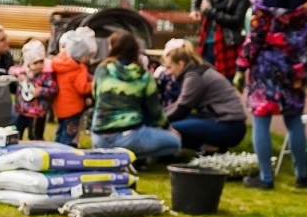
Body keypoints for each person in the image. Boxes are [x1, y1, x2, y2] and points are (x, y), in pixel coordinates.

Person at [238, 0, 307, 190]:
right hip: (296, 65)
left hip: (266, 66)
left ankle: (265, 178)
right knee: (294, 119)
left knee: (261, 118)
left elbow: (256, 35)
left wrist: (242, 65)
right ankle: (302, 175)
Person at [89, 29, 181, 162]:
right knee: (175, 143)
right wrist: (169, 128)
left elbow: (95, 95)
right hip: (129, 137)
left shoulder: (102, 69)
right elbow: (155, 110)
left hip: (99, 137)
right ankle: (131, 157)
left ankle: (112, 156)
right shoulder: (144, 76)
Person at [162, 40, 247, 151]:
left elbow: (182, 108)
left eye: (169, 67)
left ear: (181, 64)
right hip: (227, 123)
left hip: (229, 126)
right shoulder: (197, 70)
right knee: (173, 123)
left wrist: (158, 121)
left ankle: (208, 148)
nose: (167, 72)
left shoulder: (194, 76)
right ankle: (211, 148)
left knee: (166, 128)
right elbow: (179, 106)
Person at [50, 27, 97, 146]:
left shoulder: (60, 64)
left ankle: (55, 150)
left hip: (60, 108)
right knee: (70, 135)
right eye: (87, 56)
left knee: (61, 130)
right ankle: (67, 155)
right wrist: (94, 84)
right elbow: (82, 88)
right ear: (81, 56)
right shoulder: (79, 69)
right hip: (73, 109)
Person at [11, 38, 54, 142]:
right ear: (28, 64)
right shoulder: (23, 74)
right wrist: (20, 76)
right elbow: (12, 72)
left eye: (41, 62)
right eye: (35, 63)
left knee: (35, 136)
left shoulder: (46, 76)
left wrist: (41, 91)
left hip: (37, 113)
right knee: (16, 132)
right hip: (22, 111)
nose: (39, 65)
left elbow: (53, 89)